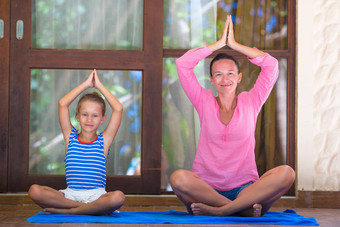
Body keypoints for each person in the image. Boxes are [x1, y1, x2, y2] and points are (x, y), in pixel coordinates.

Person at [169, 15, 295, 217]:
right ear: (211, 80)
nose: (224, 79)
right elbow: (183, 64)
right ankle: (239, 208)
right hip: (206, 188)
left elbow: (270, 65)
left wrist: (234, 45)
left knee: (287, 173)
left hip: (244, 188)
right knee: (178, 178)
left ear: (239, 78)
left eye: (230, 73)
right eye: (218, 74)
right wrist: (218, 45)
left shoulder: (251, 101)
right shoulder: (203, 101)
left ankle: (223, 210)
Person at [28, 69, 125, 215]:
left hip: (96, 197)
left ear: (103, 119)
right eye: (85, 115)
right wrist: (86, 84)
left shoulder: (104, 141)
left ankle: (68, 211)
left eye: (95, 115)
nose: (89, 120)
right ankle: (83, 208)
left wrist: (98, 86)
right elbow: (62, 104)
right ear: (77, 117)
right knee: (34, 190)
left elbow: (118, 109)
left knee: (118, 197)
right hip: (70, 195)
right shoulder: (70, 137)